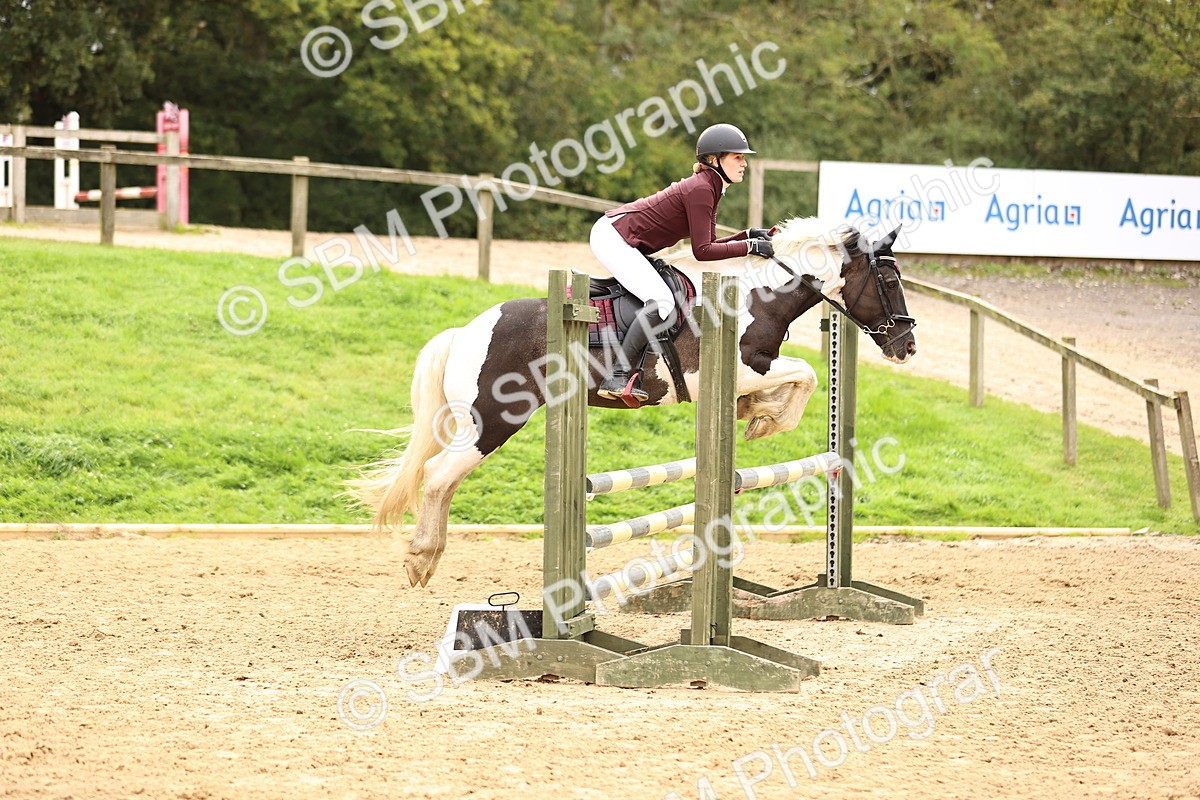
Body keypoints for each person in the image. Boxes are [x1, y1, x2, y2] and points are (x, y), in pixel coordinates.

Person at [589, 123, 775, 403]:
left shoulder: (709, 186)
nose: (744, 163)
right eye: (737, 157)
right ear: (714, 160)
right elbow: (703, 251)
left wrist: (746, 235)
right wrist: (749, 246)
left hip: (621, 237)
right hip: (614, 238)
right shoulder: (702, 189)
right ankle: (617, 375)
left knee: (661, 299)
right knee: (662, 301)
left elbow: (709, 242)